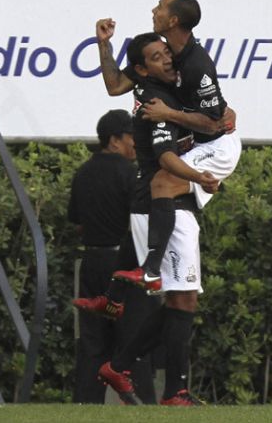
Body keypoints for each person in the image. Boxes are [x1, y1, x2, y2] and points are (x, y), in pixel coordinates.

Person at [75, 26, 234, 406]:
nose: (167, 57)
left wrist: (103, 45)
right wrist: (202, 174)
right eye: (158, 56)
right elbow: (167, 158)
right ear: (143, 70)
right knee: (182, 301)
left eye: (166, 51)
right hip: (165, 208)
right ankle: (172, 391)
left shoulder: (170, 79)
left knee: (183, 302)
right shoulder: (155, 102)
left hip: (165, 209)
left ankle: (122, 363)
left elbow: (114, 84)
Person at [68, 109, 156, 404]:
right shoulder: (131, 175)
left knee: (92, 344)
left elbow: (77, 222)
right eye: (133, 136)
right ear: (115, 140)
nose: (137, 143)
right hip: (124, 267)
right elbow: (142, 223)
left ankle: (86, 405)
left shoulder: (83, 173)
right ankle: (143, 405)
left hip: (92, 263)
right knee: (134, 341)